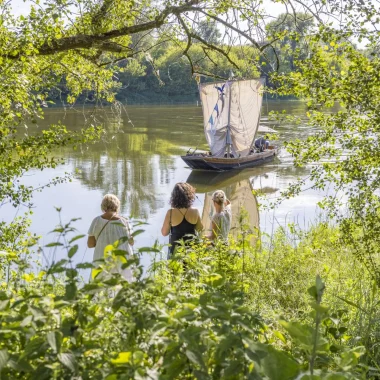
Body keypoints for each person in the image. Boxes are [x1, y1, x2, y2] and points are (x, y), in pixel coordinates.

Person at [87, 194, 134, 281]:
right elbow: (131, 242)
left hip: (102, 258)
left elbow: (90, 244)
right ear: (117, 206)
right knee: (122, 286)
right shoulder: (124, 221)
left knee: (101, 287)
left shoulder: (96, 221)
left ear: (103, 206)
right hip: (121, 259)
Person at [161, 182, 203, 258]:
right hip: (191, 250)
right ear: (189, 195)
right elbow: (200, 229)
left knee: (174, 269)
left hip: (175, 251)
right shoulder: (195, 211)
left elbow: (164, 233)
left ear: (174, 197)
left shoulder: (170, 212)